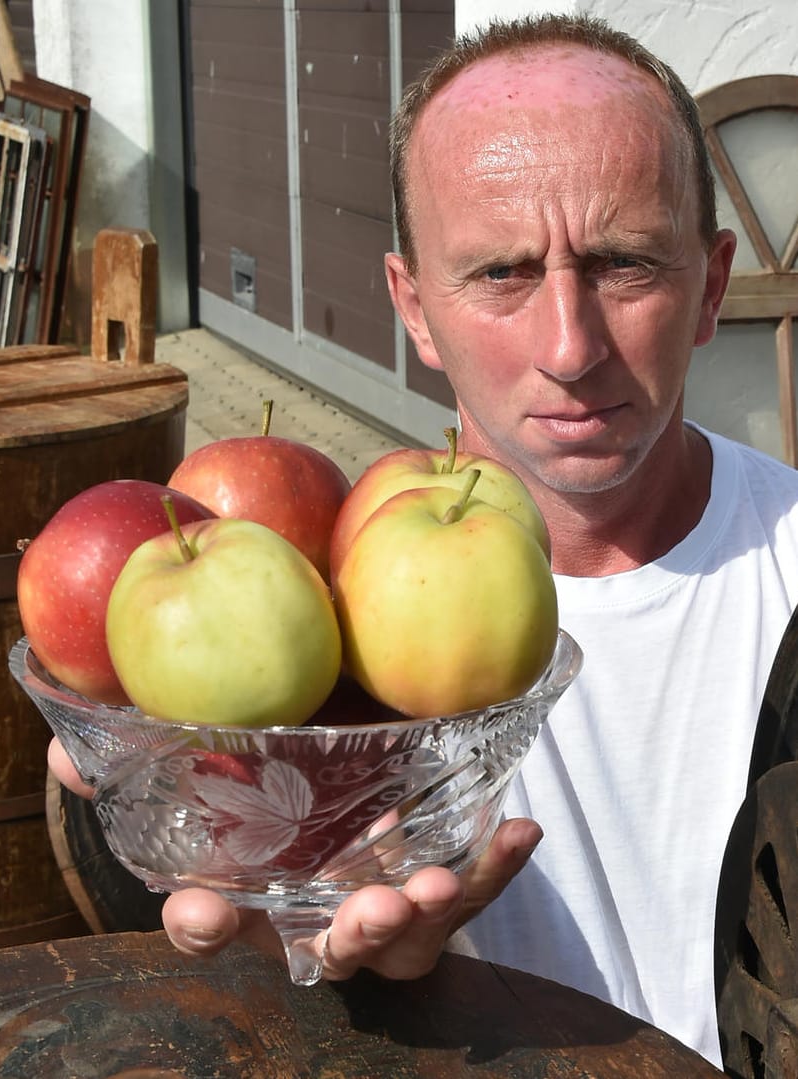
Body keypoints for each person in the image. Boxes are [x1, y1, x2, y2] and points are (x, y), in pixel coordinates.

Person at [52, 12, 798, 1067]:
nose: (568, 345)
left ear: (712, 284)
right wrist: (285, 940)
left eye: (623, 264)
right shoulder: (316, 625)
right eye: (499, 273)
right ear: (412, 305)